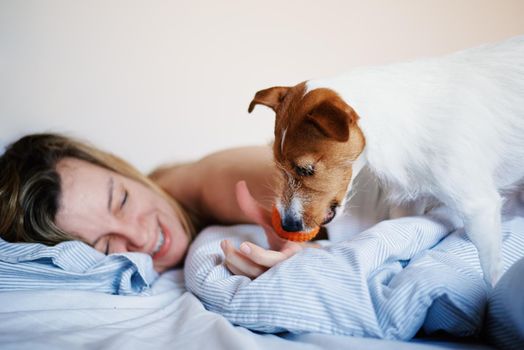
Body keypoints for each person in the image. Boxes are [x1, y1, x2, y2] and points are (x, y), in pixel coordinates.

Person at [0, 133, 314, 277]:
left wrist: (300, 237)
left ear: (121, 168)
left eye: (121, 201)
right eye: (107, 246)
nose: (138, 236)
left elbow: (313, 178)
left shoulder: (212, 183)